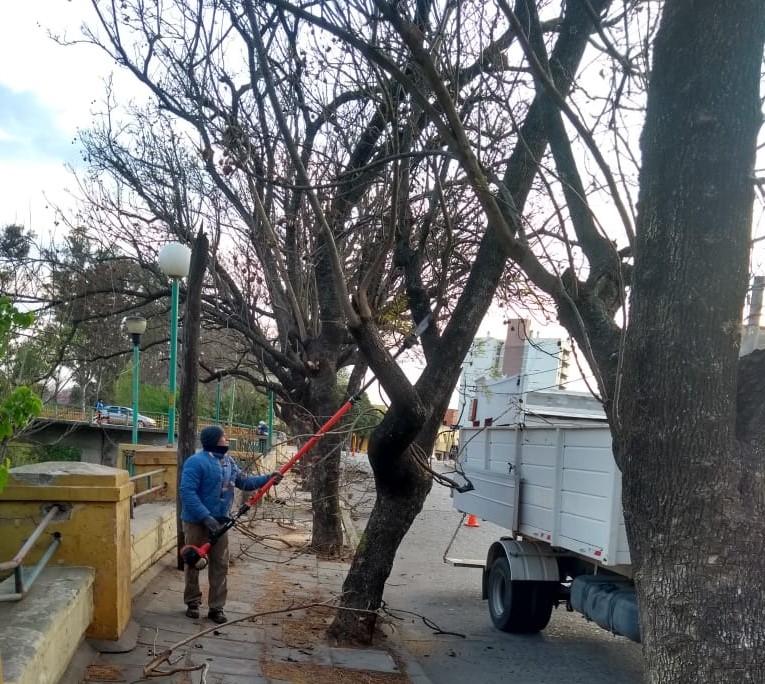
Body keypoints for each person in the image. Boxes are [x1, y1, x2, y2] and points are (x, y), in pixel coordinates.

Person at [180, 425, 283, 623]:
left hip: (221, 522)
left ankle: (216, 607)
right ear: (214, 440)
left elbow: (244, 482)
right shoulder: (195, 462)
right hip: (196, 522)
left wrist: (268, 479)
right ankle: (192, 601)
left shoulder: (228, 462)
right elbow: (187, 492)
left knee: (220, 564)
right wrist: (204, 516)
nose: (227, 440)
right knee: (193, 561)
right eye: (223, 437)